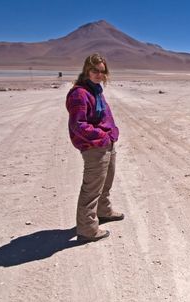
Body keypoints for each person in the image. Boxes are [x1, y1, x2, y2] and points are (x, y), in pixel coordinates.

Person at [66, 53, 123, 242]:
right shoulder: (79, 94)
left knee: (106, 182)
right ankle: (87, 229)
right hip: (93, 147)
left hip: (107, 143)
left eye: (102, 71)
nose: (99, 74)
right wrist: (101, 136)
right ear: (86, 71)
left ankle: (104, 211)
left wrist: (112, 132)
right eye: (95, 71)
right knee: (91, 189)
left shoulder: (96, 90)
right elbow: (78, 124)